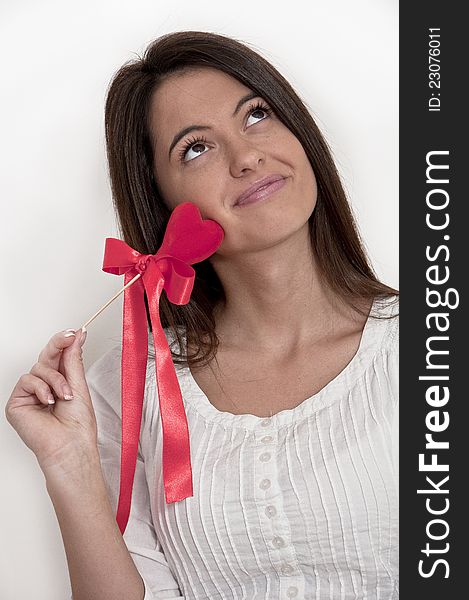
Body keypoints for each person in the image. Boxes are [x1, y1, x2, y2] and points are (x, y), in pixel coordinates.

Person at [5, 30, 399, 600]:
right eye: (196, 147)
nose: (247, 157)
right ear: (163, 199)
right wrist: (69, 465)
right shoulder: (127, 388)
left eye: (257, 114)